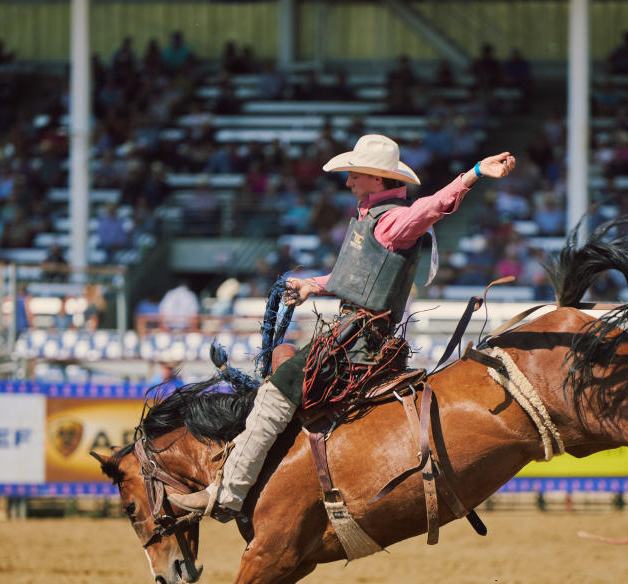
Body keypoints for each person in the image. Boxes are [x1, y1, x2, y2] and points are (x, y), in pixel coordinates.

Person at [169, 134, 516, 518]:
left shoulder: (392, 221)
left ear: (377, 179)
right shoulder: (373, 220)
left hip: (355, 343)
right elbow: (353, 276)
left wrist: (474, 173)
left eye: (355, 175)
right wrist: (311, 285)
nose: (348, 182)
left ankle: (229, 493)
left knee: (274, 394)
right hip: (356, 336)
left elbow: (432, 207)